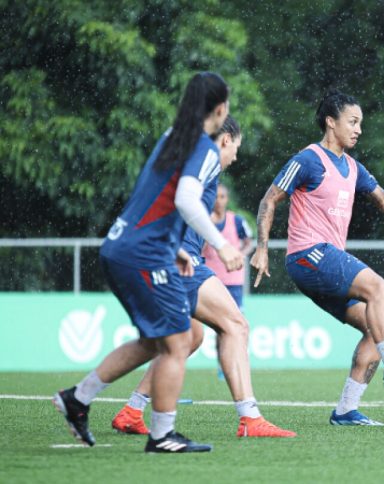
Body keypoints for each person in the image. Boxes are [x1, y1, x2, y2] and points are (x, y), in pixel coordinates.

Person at [53, 72, 243, 453]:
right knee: (180, 341)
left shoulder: (172, 136)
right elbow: (186, 199)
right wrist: (221, 245)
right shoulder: (204, 149)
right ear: (220, 109)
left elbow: (151, 194)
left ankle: (78, 398)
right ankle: (162, 435)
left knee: (158, 339)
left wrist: (175, 248)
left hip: (122, 246)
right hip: (142, 254)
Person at [251, 89, 384, 426]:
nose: (358, 129)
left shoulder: (354, 168)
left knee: (375, 329)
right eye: (352, 122)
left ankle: (345, 410)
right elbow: (270, 200)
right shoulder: (308, 159)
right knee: (377, 286)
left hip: (324, 259)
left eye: (361, 123)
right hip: (307, 255)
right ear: (331, 122)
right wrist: (261, 247)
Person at [109, 116, 295, 438]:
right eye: (236, 147)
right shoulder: (205, 162)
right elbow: (181, 204)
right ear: (226, 140)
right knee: (236, 325)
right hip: (184, 262)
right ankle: (249, 418)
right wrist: (219, 247)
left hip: (173, 257)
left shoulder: (189, 159)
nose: (236, 156)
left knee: (187, 339)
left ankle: (129, 409)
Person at [202, 184, 254, 309]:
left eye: (222, 197)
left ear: (227, 199)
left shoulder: (237, 220)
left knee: (237, 318)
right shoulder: (202, 222)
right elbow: (199, 249)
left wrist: (239, 255)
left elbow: (249, 243)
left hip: (233, 279)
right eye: (215, 197)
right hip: (210, 279)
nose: (218, 201)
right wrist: (208, 227)